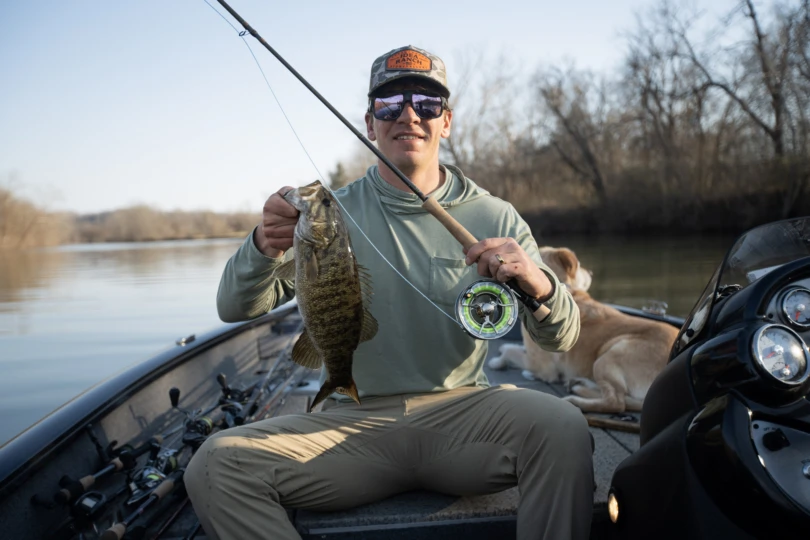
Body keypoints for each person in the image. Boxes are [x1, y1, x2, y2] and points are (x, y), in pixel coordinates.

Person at [185, 45, 594, 540]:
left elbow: (563, 339)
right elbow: (235, 307)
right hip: (350, 427)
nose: (408, 115)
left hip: (466, 417)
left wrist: (537, 279)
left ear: (446, 121)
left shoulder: (496, 216)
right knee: (215, 466)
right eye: (389, 103)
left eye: (426, 103)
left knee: (565, 428)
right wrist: (261, 246)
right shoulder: (328, 215)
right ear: (369, 120)